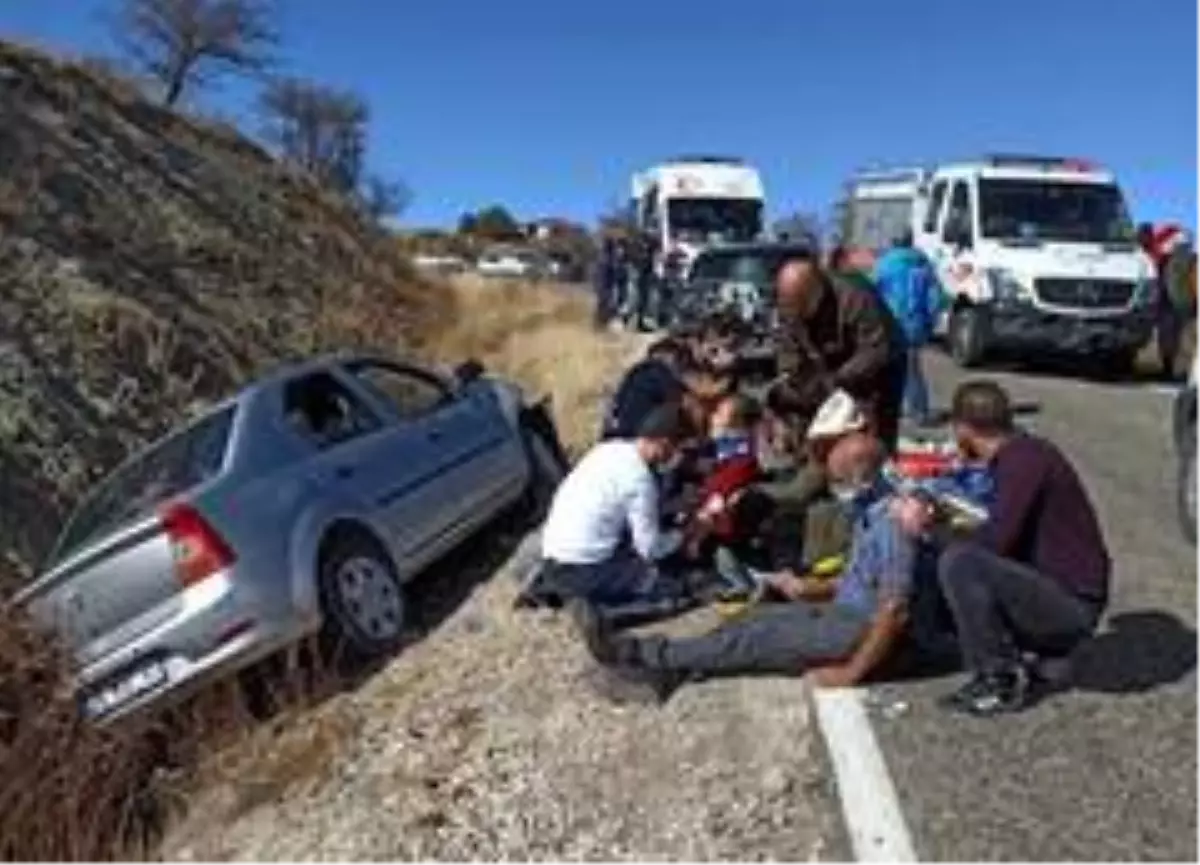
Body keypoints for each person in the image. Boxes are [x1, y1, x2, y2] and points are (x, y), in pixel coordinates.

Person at [570, 431, 916, 703]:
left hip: (861, 631)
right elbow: (864, 581)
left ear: (861, 478)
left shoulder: (892, 524)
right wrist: (808, 587)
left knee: (756, 640)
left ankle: (644, 654)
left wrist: (849, 674)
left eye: (840, 479)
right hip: (845, 613)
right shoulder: (872, 511)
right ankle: (678, 662)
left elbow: (894, 610)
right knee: (753, 619)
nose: (834, 487)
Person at [893, 380, 1111, 717]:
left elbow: (996, 542)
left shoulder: (1023, 461)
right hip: (1061, 590)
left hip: (1072, 604)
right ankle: (1039, 654)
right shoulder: (1024, 453)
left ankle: (997, 678)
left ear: (963, 428)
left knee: (960, 562)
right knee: (960, 553)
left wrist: (927, 528)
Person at [537, 403, 697, 611]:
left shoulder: (609, 449)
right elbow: (650, 549)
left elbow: (617, 502)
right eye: (679, 449)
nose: (679, 458)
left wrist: (674, 506)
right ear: (664, 443)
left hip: (553, 554)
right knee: (670, 586)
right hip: (582, 570)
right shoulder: (639, 479)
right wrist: (684, 534)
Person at [770, 258, 906, 453]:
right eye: (790, 305)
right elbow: (787, 340)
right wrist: (790, 374)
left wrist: (838, 379)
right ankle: (818, 461)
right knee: (813, 409)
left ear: (816, 292)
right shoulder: (789, 303)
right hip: (833, 359)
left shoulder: (856, 297)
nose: (794, 312)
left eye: (800, 306)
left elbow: (876, 349)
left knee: (875, 427)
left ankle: (875, 466)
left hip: (882, 362)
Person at [873, 230, 946, 426]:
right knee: (913, 369)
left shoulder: (884, 264)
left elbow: (873, 293)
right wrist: (930, 320)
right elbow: (937, 296)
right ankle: (919, 412)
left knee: (888, 368)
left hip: (890, 322)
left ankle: (888, 410)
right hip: (915, 323)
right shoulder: (923, 263)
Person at [601, 338, 691, 440]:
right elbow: (677, 404)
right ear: (670, 357)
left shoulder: (634, 374)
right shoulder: (660, 373)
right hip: (641, 437)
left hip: (618, 434)